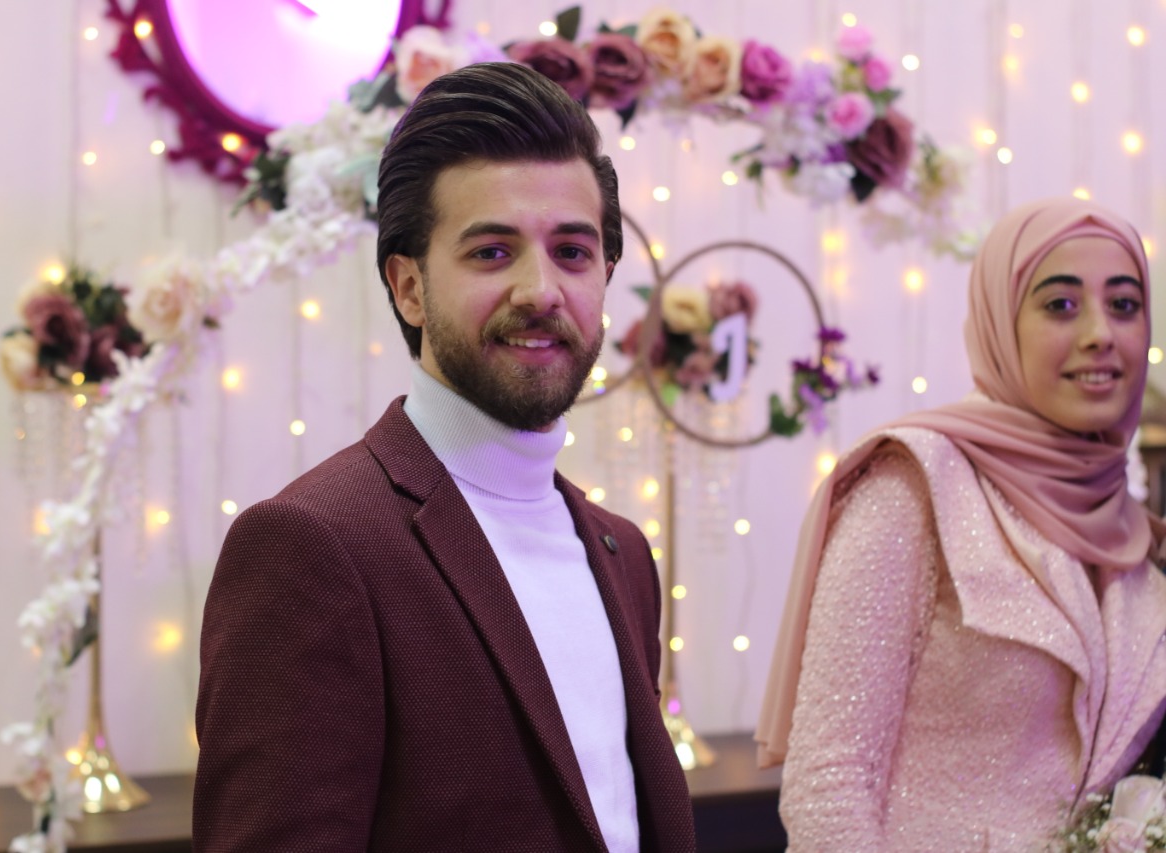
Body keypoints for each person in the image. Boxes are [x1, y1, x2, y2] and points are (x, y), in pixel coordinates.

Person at [193, 62, 696, 852]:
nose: (541, 290)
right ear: (408, 287)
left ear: (604, 276)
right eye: (492, 252)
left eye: (572, 251)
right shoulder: (311, 545)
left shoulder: (622, 551)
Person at [755, 197, 1166, 851]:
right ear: (1002, 322)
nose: (1100, 333)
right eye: (1061, 304)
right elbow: (828, 783)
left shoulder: (1135, 537)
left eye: (1123, 304)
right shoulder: (914, 484)